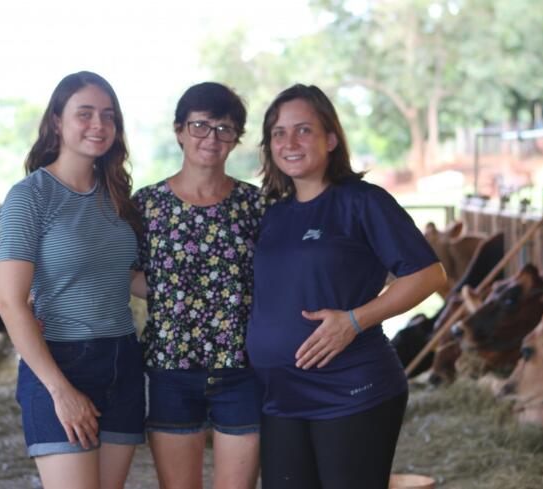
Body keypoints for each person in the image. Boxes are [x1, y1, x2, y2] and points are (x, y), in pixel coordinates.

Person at [246, 84, 446, 489]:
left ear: (331, 138)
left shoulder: (362, 202)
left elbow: (428, 275)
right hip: (280, 396)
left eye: (304, 130)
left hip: (350, 388)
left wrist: (354, 321)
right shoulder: (272, 214)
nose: (290, 142)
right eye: (279, 133)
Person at [0, 71, 145, 489]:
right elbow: (9, 302)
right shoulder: (31, 196)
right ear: (57, 122)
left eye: (108, 115)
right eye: (85, 113)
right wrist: (61, 391)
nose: (98, 125)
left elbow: (128, 277)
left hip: (123, 358)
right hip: (60, 363)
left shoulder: (116, 194)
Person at [132, 82, 264, 489]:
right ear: (179, 130)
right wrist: (175, 291)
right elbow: (127, 273)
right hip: (171, 368)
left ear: (236, 139)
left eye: (225, 129)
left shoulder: (256, 204)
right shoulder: (147, 204)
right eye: (201, 126)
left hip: (242, 369)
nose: (212, 138)